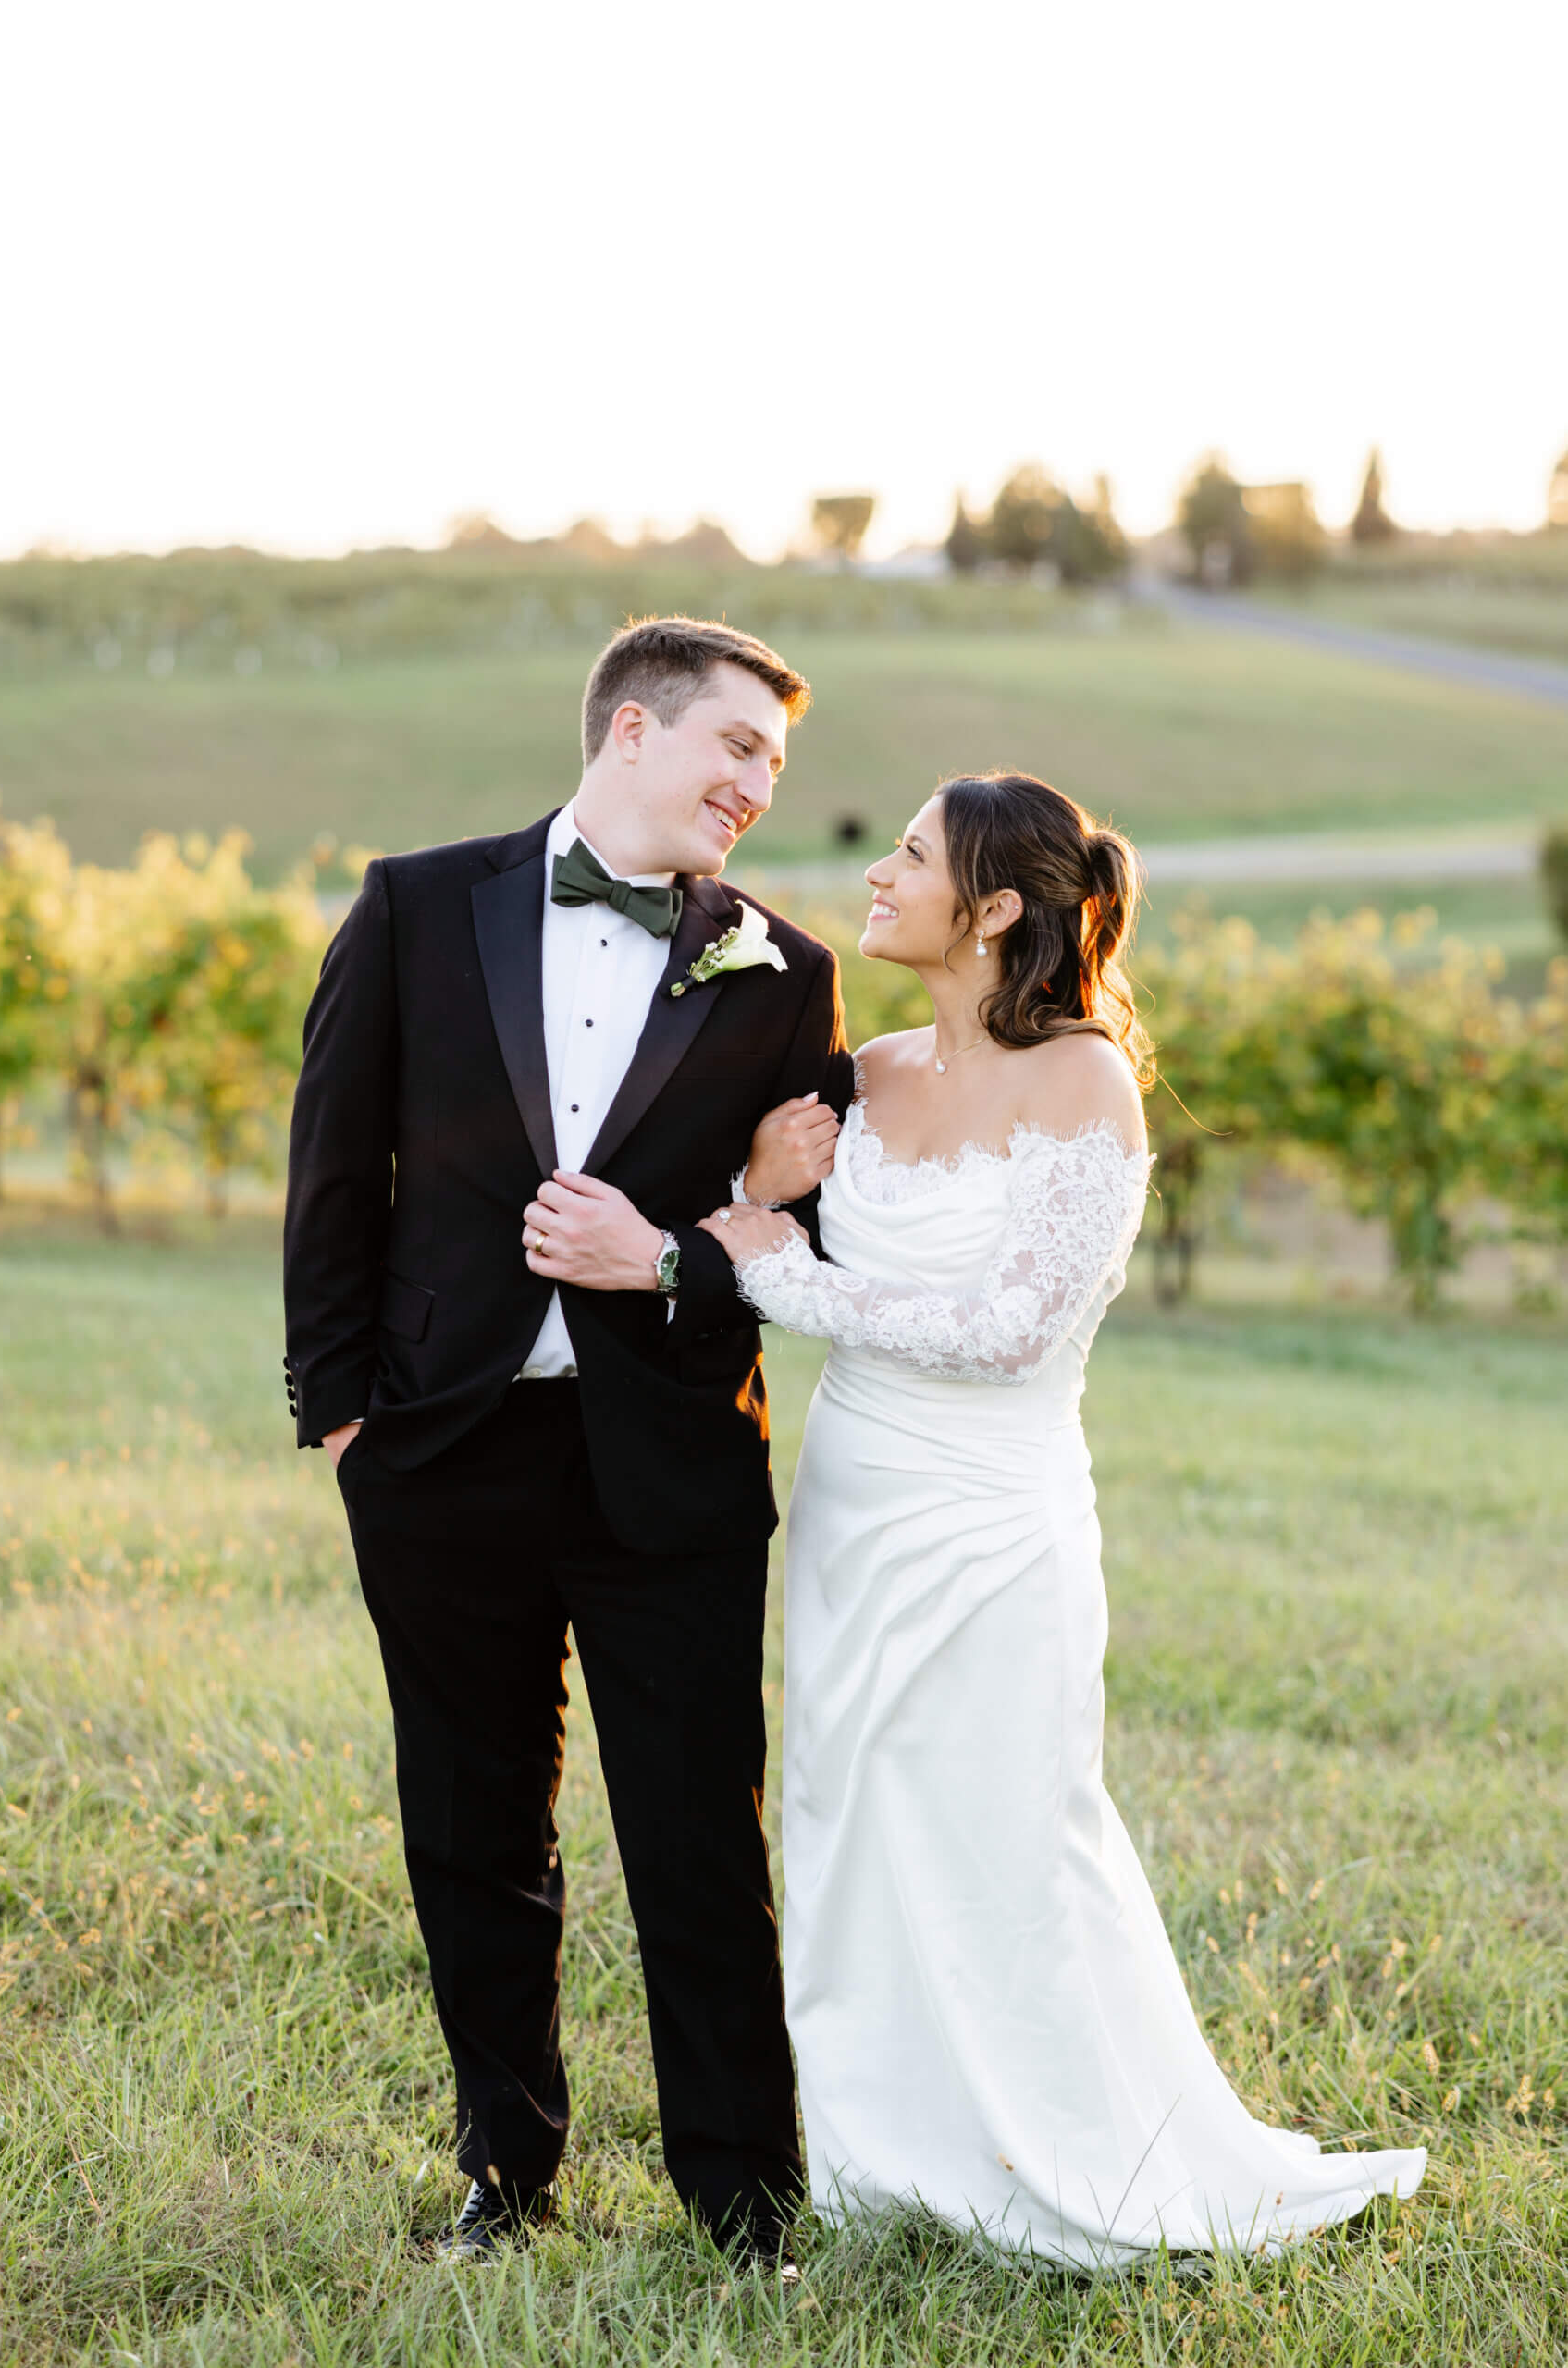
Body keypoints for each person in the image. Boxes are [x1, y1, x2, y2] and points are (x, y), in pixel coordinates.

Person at [710, 771, 1426, 2265]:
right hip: (855, 1505)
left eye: (911, 857)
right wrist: (764, 1190)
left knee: (1006, 1831)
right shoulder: (873, 1070)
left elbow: (1012, 1327)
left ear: (996, 909)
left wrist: (773, 1265)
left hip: (994, 1522)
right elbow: (776, 1218)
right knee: (854, 1822)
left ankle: (1067, 2152)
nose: (878, 875)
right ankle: (877, 2163)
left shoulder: (1085, 1082)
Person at [281, 616, 850, 2265]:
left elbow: (784, 1233)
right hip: (441, 1454)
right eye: (736, 747)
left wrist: (713, 1224)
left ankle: (745, 2200)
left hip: (668, 1461)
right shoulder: (415, 906)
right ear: (631, 730)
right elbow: (335, 1175)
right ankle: (506, 2174)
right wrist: (343, 1419)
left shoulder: (786, 971)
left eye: (775, 765)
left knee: (696, 1835)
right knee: (472, 1828)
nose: (756, 787)